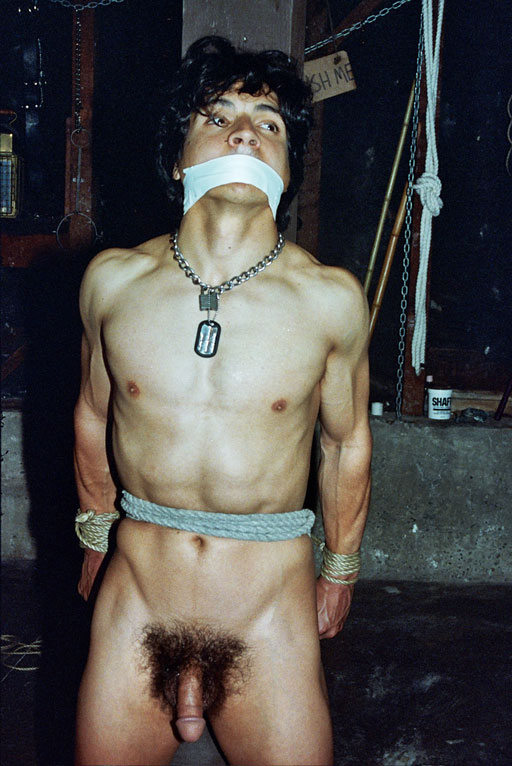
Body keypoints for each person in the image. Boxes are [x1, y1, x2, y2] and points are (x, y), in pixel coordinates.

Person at [73, 36, 372, 766]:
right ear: (179, 158)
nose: (244, 133)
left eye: (269, 124)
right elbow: (93, 417)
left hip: (266, 612)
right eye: (219, 116)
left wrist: (340, 568)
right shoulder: (113, 283)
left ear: (287, 170)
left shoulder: (330, 301)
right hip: (139, 599)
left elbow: (345, 443)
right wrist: (92, 536)